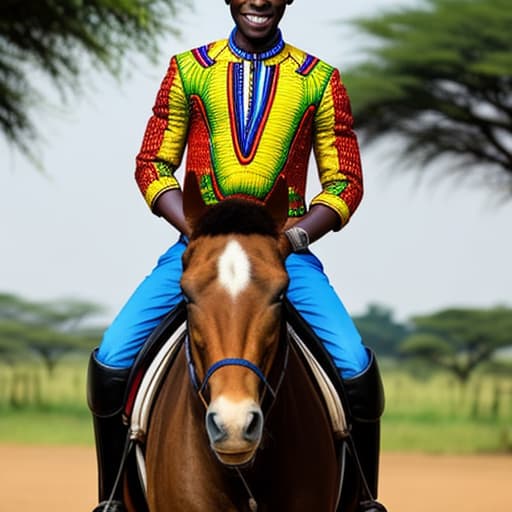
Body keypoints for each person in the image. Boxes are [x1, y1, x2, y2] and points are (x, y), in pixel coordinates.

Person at [87, 1, 386, 511]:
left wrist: (293, 240)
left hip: (282, 255)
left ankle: (363, 501)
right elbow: (153, 163)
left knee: (357, 369)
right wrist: (197, 231)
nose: (259, 1)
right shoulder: (190, 69)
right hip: (196, 249)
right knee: (112, 360)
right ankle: (111, 499)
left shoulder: (319, 80)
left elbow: (345, 182)